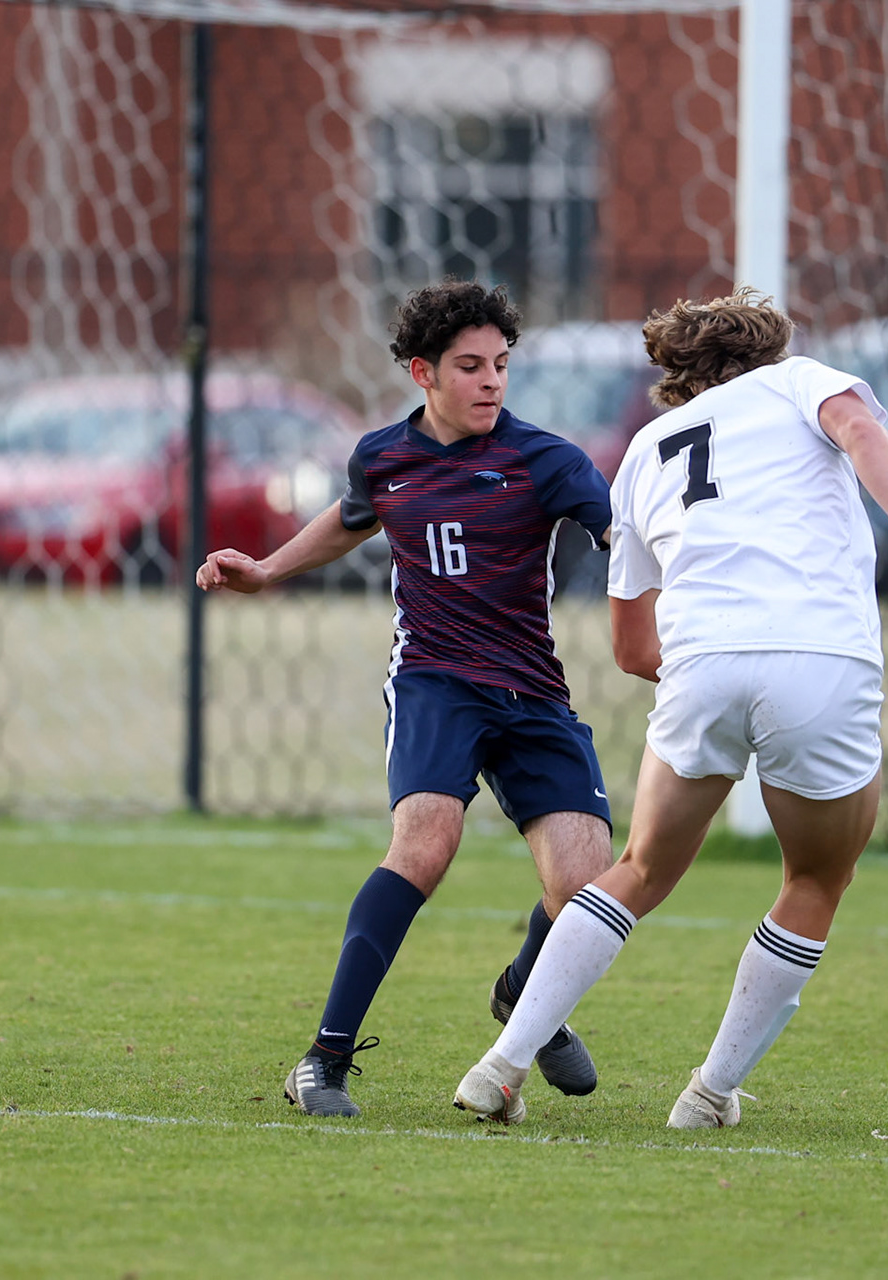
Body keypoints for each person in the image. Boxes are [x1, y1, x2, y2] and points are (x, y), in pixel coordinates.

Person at [454, 289, 888, 1128]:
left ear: (678, 376)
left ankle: (500, 1066)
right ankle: (708, 1094)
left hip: (701, 663)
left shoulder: (646, 450)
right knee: (817, 876)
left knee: (641, 869)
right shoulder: (800, 380)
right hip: (819, 655)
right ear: (767, 351)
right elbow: (865, 433)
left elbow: (630, 650)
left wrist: (718, 674)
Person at [197, 280, 617, 1118]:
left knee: (586, 887)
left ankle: (524, 1000)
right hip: (435, 680)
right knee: (426, 842)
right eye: (470, 366)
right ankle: (323, 1059)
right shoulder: (383, 455)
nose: (492, 381)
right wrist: (270, 569)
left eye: (501, 364)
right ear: (423, 372)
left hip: (533, 689)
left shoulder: (548, 460)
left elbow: (621, 537)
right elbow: (356, 516)